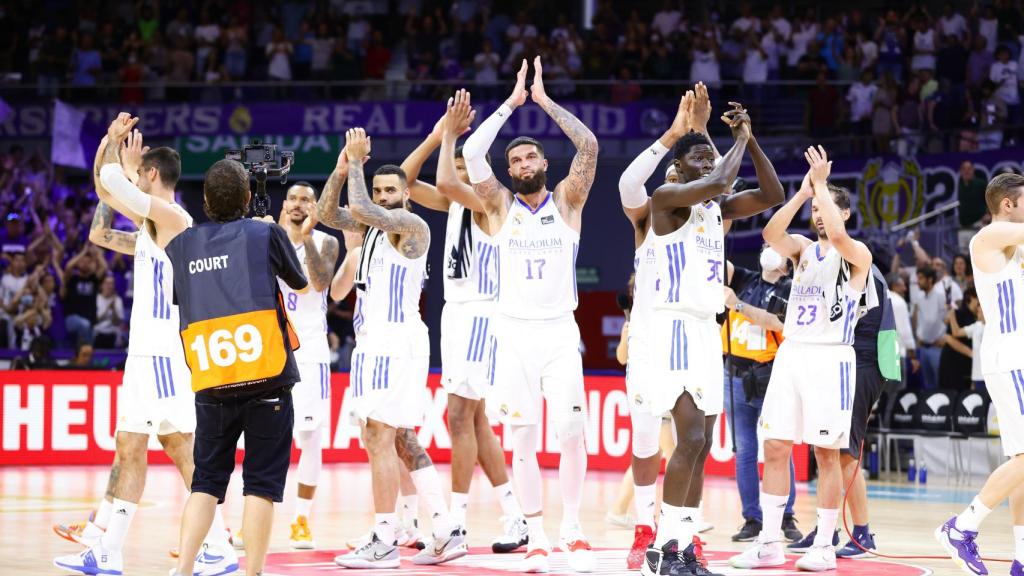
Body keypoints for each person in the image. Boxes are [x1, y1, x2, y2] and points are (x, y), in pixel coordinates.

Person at [91, 113, 306, 576]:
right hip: (262, 369)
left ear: (206, 202)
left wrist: (117, 157)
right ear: (249, 197)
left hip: (209, 368)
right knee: (259, 485)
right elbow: (300, 284)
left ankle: (189, 562)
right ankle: (242, 565)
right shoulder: (259, 232)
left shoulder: (183, 236)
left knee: (202, 476)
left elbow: (110, 186)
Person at [53, 121, 236, 576]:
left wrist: (117, 152)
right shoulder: (153, 224)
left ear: (152, 176)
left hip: (162, 354)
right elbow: (106, 198)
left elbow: (114, 184)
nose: (134, 180)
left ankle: (218, 544)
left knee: (178, 448)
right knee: (133, 446)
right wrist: (108, 151)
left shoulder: (174, 219)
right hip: (148, 354)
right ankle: (111, 551)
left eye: (140, 175)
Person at [461, 57, 599, 573]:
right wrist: (511, 104)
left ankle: (572, 526)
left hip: (561, 332)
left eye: (528, 157)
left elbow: (588, 147)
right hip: (513, 334)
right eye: (514, 160)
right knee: (521, 435)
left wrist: (544, 101)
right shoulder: (498, 206)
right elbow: (473, 151)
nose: (520, 165)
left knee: (570, 432)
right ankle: (536, 533)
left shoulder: (567, 200)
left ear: (543, 163)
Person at [642, 101, 784, 576]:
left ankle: (681, 546)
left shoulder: (715, 206)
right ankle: (659, 550)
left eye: (710, 156)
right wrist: (738, 138)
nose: (707, 163)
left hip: (706, 326)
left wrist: (753, 137)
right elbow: (723, 180)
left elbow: (771, 192)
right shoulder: (665, 197)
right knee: (692, 436)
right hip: (673, 325)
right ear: (678, 167)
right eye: (698, 158)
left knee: (700, 446)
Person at [318, 129, 466, 568]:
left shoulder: (411, 226)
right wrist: (341, 169)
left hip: (393, 342)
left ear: (407, 194)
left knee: (377, 436)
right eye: (378, 190)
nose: (382, 197)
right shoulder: (371, 230)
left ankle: (384, 536)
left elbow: (361, 207)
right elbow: (329, 211)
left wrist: (361, 164)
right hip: (375, 344)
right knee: (400, 436)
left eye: (391, 190)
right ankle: (443, 526)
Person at [397, 90, 528, 552]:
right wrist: (437, 136)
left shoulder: (493, 202)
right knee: (474, 421)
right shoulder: (456, 204)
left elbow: (447, 181)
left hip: (481, 312)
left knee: (458, 415)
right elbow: (404, 183)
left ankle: (455, 523)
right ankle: (513, 515)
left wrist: (452, 138)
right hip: (456, 313)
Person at [730, 146, 873, 572]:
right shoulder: (803, 251)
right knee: (774, 446)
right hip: (792, 354)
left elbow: (840, 236)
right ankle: (770, 541)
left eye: (823, 209)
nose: (816, 214)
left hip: (831, 359)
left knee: (826, 454)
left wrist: (824, 186)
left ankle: (825, 544)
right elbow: (771, 234)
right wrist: (803, 192)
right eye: (814, 209)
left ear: (843, 213)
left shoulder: (856, 253)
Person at [617, 83, 727, 570]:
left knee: (691, 439)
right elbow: (626, 185)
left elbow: (717, 179)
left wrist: (701, 134)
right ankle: (647, 529)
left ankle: (681, 534)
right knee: (647, 441)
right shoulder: (649, 215)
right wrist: (673, 134)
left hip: (690, 329)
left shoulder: (700, 212)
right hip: (650, 335)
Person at [937, 172, 1024, 576]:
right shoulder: (985, 238)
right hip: (1011, 358)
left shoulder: (1013, 247)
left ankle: (1022, 556)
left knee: (1020, 460)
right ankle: (962, 526)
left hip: (1011, 356)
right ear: (1008, 204)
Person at [787, 265, 899, 560]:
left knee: (845, 451)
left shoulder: (859, 265)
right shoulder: (845, 264)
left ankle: (862, 534)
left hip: (863, 362)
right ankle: (829, 528)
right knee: (825, 447)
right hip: (845, 360)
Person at [276, 181, 339, 549]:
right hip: (273, 349)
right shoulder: (268, 237)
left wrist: (308, 235)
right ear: (285, 203)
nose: (299, 204)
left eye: (306, 200)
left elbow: (318, 281)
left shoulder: (326, 243)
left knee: (309, 439)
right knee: (262, 437)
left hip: (311, 352)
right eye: (294, 198)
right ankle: (256, 516)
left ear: (315, 207)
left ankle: (301, 517)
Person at [722, 250, 801, 544]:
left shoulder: (790, 289)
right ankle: (751, 518)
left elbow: (777, 323)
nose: (771, 251)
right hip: (735, 374)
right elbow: (719, 259)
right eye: (768, 247)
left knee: (778, 446)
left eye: (779, 249)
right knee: (743, 450)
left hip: (771, 375)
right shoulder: (744, 279)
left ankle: (786, 515)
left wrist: (738, 305)